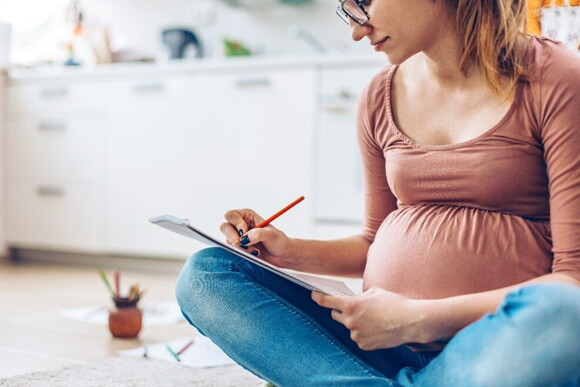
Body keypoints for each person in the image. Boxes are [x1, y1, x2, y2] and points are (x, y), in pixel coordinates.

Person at [175, 0, 580, 385]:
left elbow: (572, 278)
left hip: (493, 346)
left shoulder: (553, 77)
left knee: (565, 313)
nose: (355, 29)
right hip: (378, 344)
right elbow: (373, 241)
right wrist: (289, 251)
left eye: (363, 2)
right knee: (207, 275)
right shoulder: (379, 95)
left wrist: (419, 317)